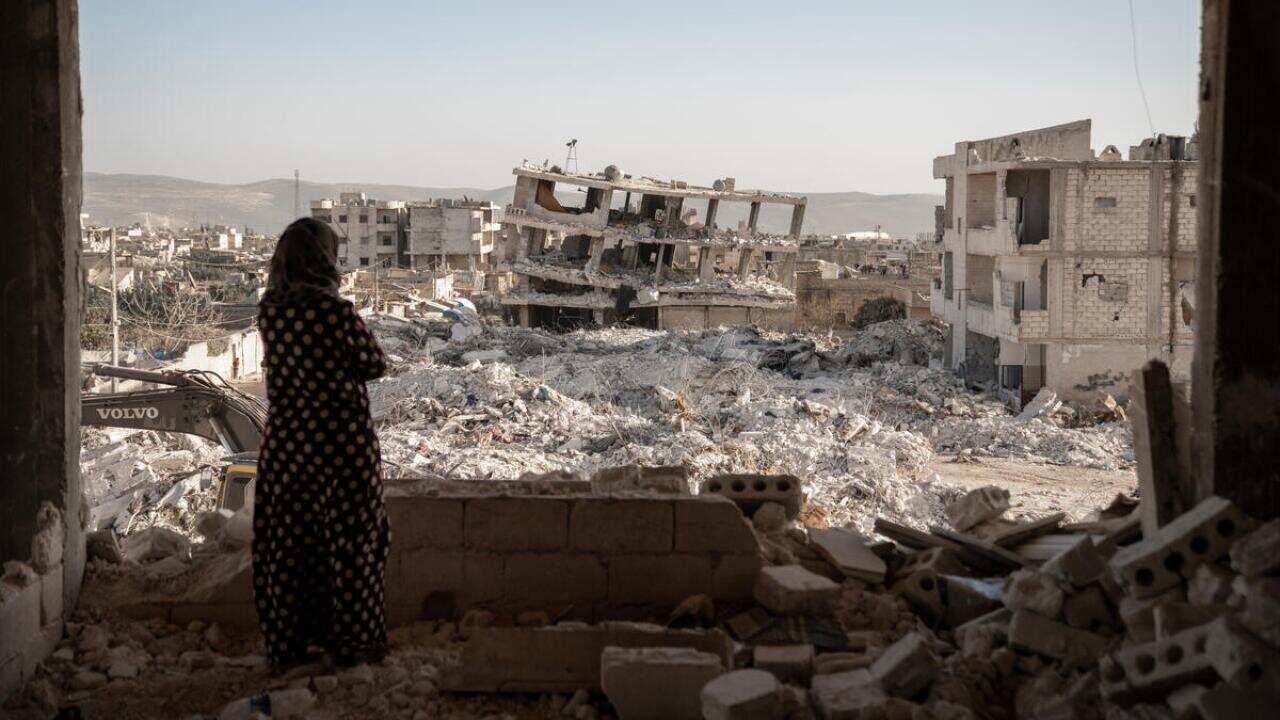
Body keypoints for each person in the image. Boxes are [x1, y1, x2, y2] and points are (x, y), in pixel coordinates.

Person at [252, 217, 389, 669]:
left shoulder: (269, 310)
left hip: (288, 445)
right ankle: (352, 642)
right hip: (339, 443)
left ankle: (291, 644)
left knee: (290, 544)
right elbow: (374, 364)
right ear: (324, 259)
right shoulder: (335, 312)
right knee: (351, 540)